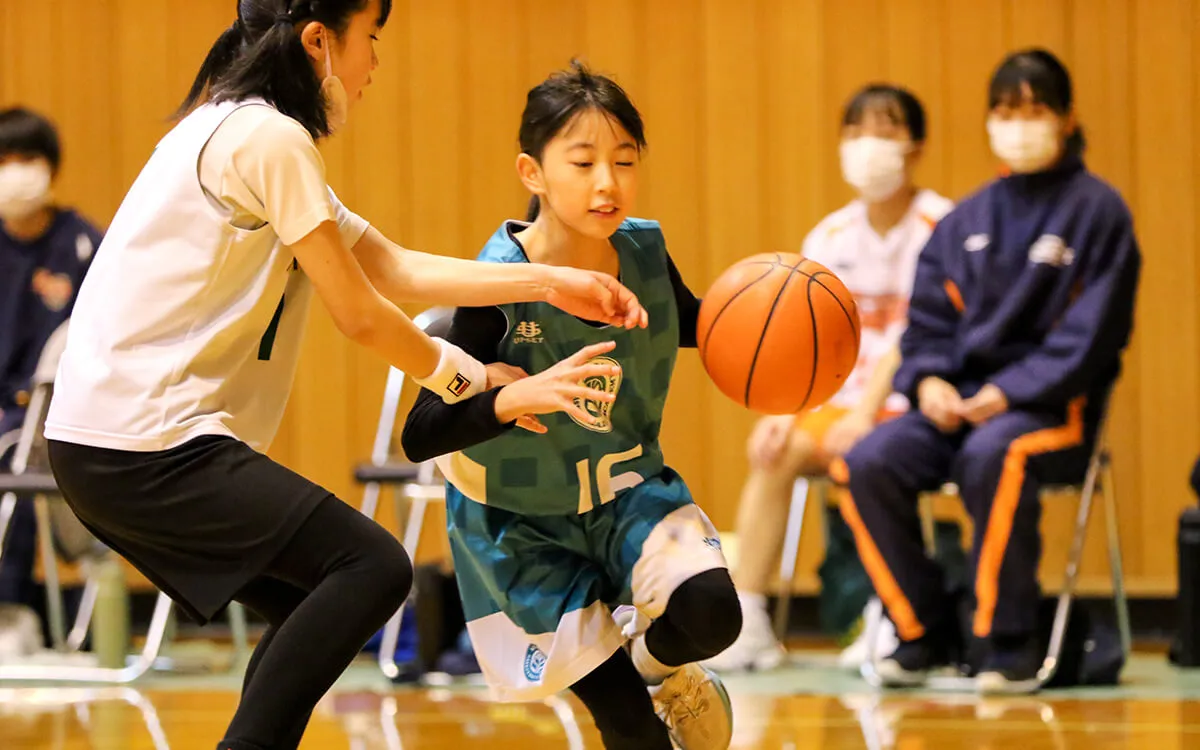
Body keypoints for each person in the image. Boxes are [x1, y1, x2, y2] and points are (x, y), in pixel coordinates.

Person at [41, 3, 644, 749]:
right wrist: (467, 379)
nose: (374, 64)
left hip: (101, 444)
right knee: (372, 567)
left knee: (312, 598)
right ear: (318, 41)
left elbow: (392, 266)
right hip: (146, 443)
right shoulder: (270, 137)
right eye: (372, 40)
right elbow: (358, 312)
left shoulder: (234, 126)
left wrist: (548, 281)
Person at [402, 62, 739, 750]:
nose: (607, 182)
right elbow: (419, 434)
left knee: (712, 613)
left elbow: (707, 329)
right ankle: (633, 690)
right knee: (632, 735)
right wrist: (508, 399)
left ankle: (651, 664)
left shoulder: (643, 251)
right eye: (583, 162)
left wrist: (784, 332)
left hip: (623, 490)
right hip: (520, 527)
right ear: (532, 173)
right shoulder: (494, 283)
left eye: (624, 160)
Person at [833, 48, 1141, 693]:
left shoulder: (1099, 213)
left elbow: (1091, 338)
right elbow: (926, 328)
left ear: (1066, 118)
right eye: (1005, 110)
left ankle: (1004, 641)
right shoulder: (966, 219)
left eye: (1033, 109)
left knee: (991, 456)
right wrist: (931, 382)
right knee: (865, 462)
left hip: (1051, 413)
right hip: (958, 407)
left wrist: (1008, 393)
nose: (1018, 122)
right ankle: (921, 631)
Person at [705, 84, 953, 673]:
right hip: (837, 405)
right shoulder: (830, 238)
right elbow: (799, 344)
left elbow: (909, 339)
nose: (870, 145)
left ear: (915, 146)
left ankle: (885, 612)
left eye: (886, 130)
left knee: (863, 457)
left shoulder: (942, 225)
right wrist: (782, 412)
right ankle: (750, 614)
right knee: (774, 450)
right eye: (857, 131)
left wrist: (865, 415)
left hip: (908, 406)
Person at [0, 107, 103, 610]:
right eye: (5, 159)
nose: (17, 170)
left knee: (17, 454)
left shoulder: (83, 243)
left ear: (51, 166)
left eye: (28, 157)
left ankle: (11, 609)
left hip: (55, 414)